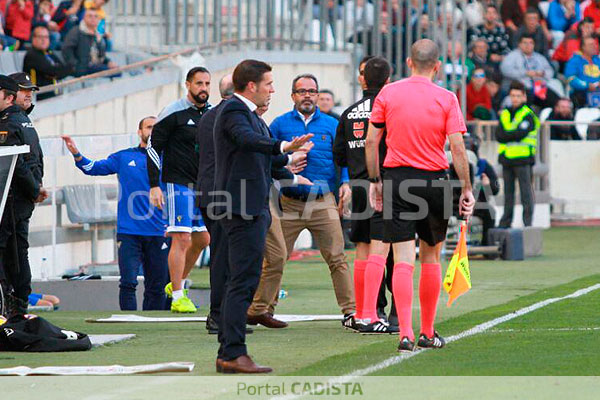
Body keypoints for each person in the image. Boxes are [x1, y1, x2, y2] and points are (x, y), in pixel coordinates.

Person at [365, 39, 475, 352]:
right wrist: (465, 187)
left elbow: (372, 142)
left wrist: (375, 181)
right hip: (436, 181)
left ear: (409, 63)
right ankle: (428, 331)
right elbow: (456, 147)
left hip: (397, 179)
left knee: (401, 257)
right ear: (437, 66)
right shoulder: (447, 97)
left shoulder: (388, 92)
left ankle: (405, 333)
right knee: (430, 256)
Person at [212, 59, 312, 374]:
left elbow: (265, 160)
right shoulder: (233, 112)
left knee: (245, 279)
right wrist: (284, 145)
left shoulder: (252, 116)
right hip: (239, 208)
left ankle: (230, 350)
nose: (272, 89)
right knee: (241, 281)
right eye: (268, 83)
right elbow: (248, 141)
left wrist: (293, 177)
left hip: (252, 207)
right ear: (251, 85)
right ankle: (232, 352)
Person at [270, 73, 356, 329]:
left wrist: (345, 183)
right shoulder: (279, 124)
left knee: (337, 258)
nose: (307, 95)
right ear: (293, 96)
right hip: (289, 202)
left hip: (323, 201)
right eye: (301, 91)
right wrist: (285, 168)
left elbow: (343, 158)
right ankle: (262, 309)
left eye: (311, 91)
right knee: (275, 258)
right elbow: (268, 156)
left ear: (318, 95)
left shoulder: (331, 124)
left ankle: (350, 312)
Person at [62, 117, 171, 311]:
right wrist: (77, 154)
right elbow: (93, 168)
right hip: (129, 231)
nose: (153, 131)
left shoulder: (169, 159)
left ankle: (153, 326)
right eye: (149, 127)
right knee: (128, 283)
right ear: (139, 132)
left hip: (159, 231)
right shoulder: (123, 157)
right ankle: (129, 323)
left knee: (157, 287)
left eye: (157, 128)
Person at [334, 56, 398, 334]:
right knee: (395, 251)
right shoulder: (393, 107)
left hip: (359, 185)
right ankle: (393, 314)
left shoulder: (348, 113)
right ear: (388, 80)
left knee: (361, 249)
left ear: (363, 79)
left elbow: (338, 156)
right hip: (388, 185)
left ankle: (364, 311)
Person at [147, 67, 212, 313]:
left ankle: (176, 283)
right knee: (181, 237)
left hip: (203, 184)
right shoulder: (173, 112)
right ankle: (177, 296)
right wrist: (155, 185)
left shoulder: (212, 113)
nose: (203, 88)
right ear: (188, 84)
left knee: (203, 238)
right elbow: (153, 148)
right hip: (177, 183)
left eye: (207, 83)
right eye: (199, 83)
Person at [0, 74, 43, 317]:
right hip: (21, 196)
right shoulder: (23, 121)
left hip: (13, 197)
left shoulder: (12, 121)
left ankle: (13, 304)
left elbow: (16, 163)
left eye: (31, 90)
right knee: (17, 251)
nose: (28, 94)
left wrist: (35, 188)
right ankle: (17, 303)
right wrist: (36, 188)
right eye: (24, 89)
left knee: (11, 252)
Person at [196, 74, 234, 332]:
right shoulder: (232, 117)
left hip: (210, 192)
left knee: (224, 256)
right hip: (225, 194)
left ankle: (223, 315)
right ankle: (219, 316)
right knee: (224, 258)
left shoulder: (208, 116)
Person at [497, 81, 539, 228]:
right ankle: (505, 222)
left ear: (524, 97)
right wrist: (512, 135)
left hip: (523, 159)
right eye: (513, 95)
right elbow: (499, 135)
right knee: (508, 194)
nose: (515, 99)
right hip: (507, 159)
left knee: (526, 193)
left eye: (518, 96)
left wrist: (509, 134)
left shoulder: (528, 114)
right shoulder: (505, 113)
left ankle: (527, 223)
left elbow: (520, 134)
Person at [501, 34, 560, 108]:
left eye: (530, 43)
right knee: (527, 95)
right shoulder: (512, 56)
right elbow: (505, 70)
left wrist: (542, 73)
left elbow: (550, 71)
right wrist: (525, 73)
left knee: (556, 101)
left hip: (538, 86)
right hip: (519, 87)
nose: (528, 45)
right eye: (525, 43)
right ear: (519, 44)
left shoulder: (539, 57)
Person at [62, 7, 117, 77]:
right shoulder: (76, 31)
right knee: (115, 73)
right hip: (83, 67)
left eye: (95, 16)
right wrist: (75, 65)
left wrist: (109, 62)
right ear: (84, 18)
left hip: (96, 66)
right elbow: (67, 49)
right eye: (90, 16)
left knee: (117, 70)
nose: (93, 18)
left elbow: (101, 55)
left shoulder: (98, 34)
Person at [23, 25, 73, 100]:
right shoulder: (32, 55)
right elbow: (53, 71)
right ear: (33, 39)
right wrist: (59, 71)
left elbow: (61, 70)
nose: (44, 40)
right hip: (38, 98)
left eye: (46, 37)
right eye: (40, 37)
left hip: (52, 96)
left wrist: (62, 71)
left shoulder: (49, 52)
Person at [565, 36, 600, 107]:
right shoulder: (575, 60)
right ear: (583, 47)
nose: (594, 46)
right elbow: (571, 78)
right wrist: (587, 85)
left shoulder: (597, 61)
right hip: (582, 93)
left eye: (595, 44)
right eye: (591, 45)